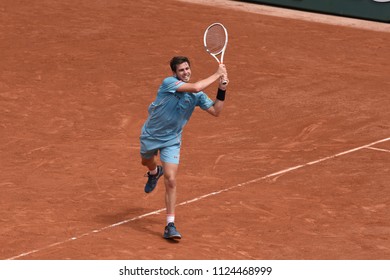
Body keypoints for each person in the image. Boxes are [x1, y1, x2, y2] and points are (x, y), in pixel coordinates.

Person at [139, 56, 228, 240]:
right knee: (146, 161)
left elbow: (216, 111)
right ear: (174, 73)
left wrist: (222, 89)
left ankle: (170, 225)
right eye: (181, 70)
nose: (185, 72)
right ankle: (154, 172)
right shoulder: (168, 84)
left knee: (171, 179)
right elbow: (196, 86)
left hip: (172, 139)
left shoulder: (197, 96)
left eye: (187, 69)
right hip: (151, 135)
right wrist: (217, 73)